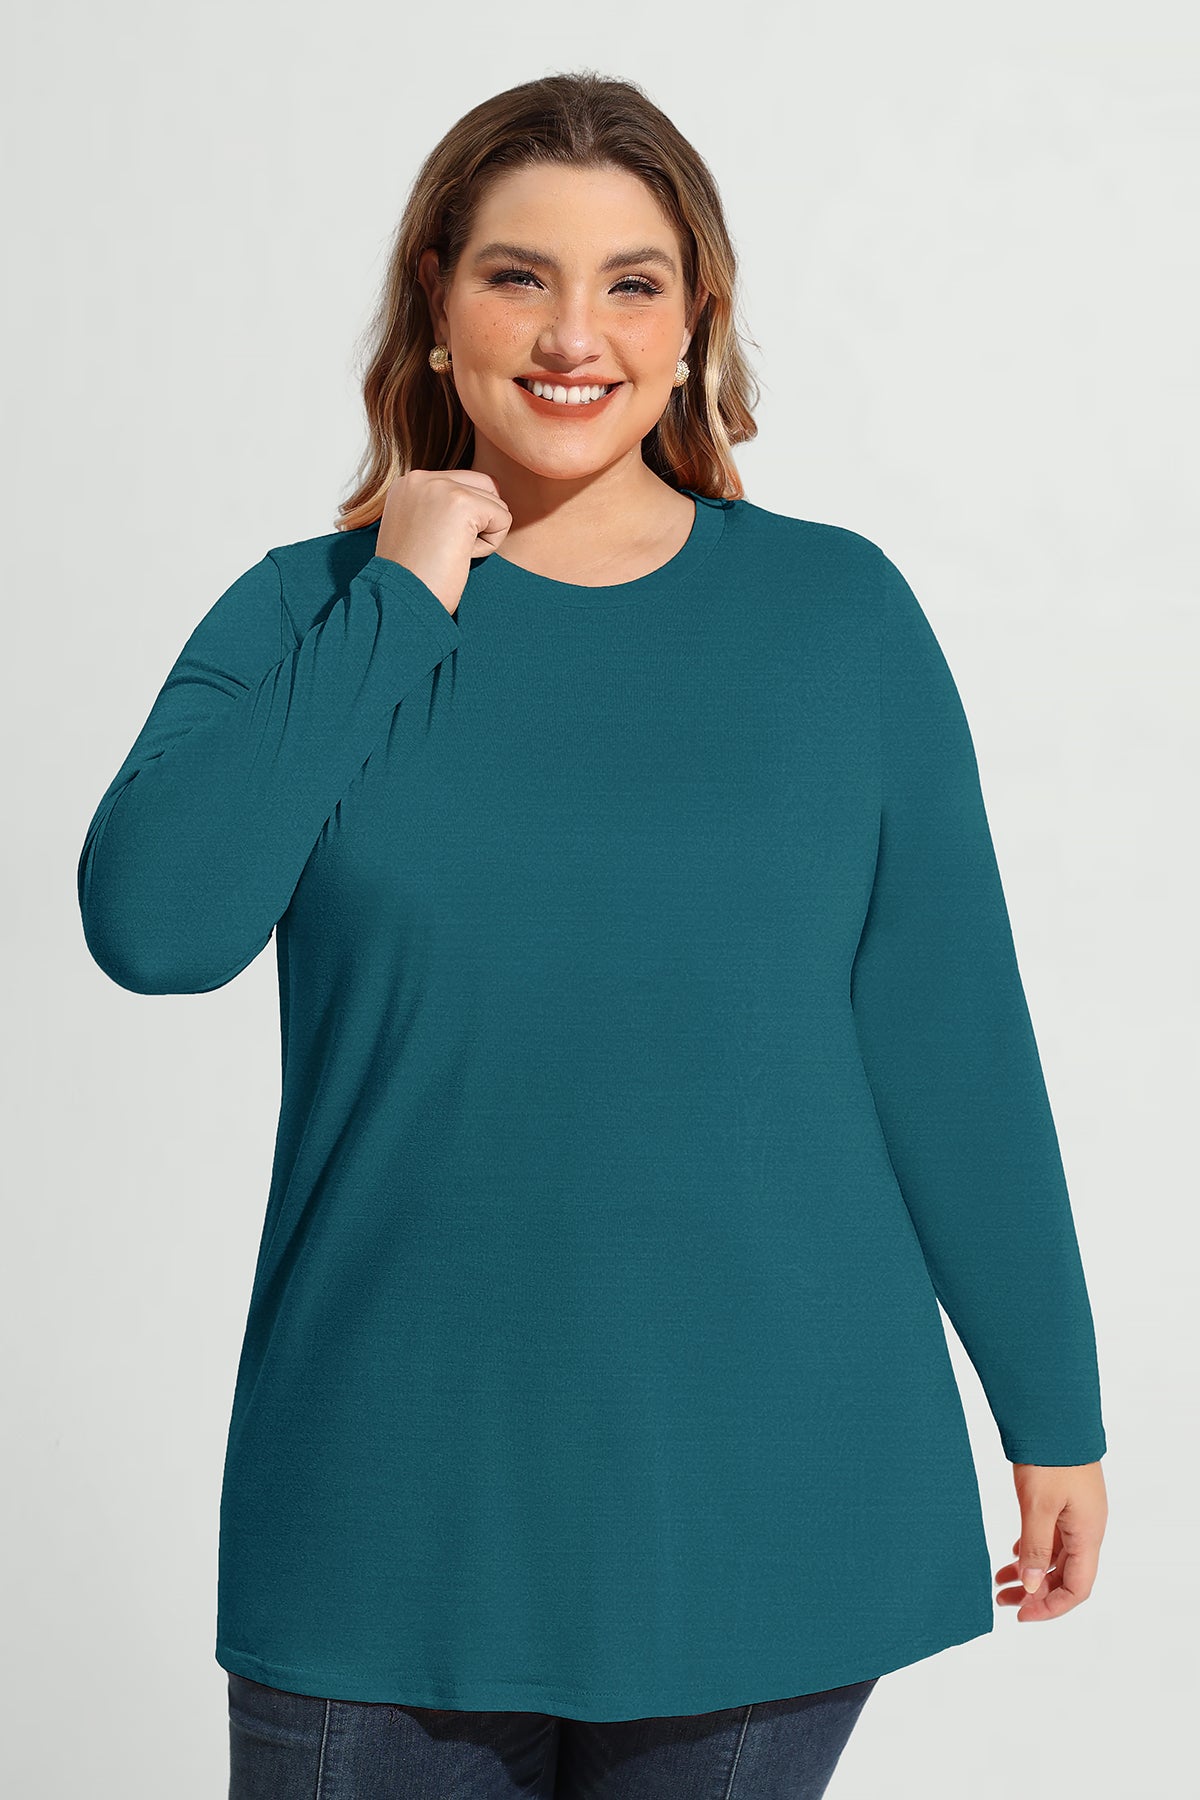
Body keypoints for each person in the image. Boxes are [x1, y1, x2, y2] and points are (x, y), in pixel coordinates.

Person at [76, 70, 1109, 1800]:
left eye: (632, 282)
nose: (575, 335)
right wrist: (401, 595)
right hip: (389, 1502)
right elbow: (155, 927)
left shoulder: (836, 618)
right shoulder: (306, 616)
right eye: (518, 276)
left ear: (693, 320)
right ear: (436, 300)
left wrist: (1052, 1409)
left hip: (765, 1491)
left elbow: (950, 1040)